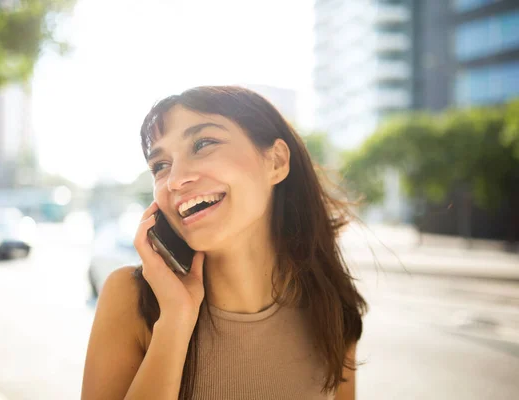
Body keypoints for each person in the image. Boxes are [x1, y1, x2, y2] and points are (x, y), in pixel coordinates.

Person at [81, 86, 366, 400]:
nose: (175, 180)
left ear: (277, 161)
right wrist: (176, 319)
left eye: (203, 144)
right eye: (160, 166)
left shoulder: (331, 308)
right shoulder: (131, 299)